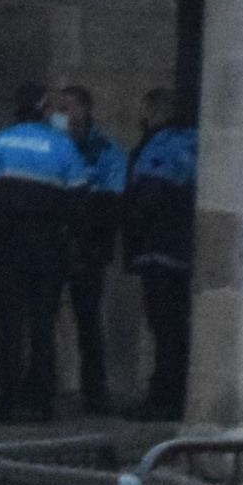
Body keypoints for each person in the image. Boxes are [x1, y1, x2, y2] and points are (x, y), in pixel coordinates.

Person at [0, 85, 86, 421]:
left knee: (10, 325)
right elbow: (79, 201)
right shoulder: (61, 145)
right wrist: (76, 246)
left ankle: (8, 402)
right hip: (48, 246)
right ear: (44, 108)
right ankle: (42, 401)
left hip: (8, 246)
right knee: (43, 324)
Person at [125, 86, 200, 423]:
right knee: (175, 328)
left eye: (146, 111)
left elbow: (148, 195)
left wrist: (135, 232)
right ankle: (171, 394)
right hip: (182, 250)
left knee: (165, 328)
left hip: (161, 249)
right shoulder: (195, 140)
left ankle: (164, 398)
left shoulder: (162, 145)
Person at [54, 85, 124, 416]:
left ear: (84, 110)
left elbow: (110, 200)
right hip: (52, 239)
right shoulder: (50, 144)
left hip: (88, 244)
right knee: (42, 317)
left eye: (68, 108)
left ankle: (95, 392)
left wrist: (92, 242)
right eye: (58, 108)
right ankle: (42, 386)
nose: (62, 115)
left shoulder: (105, 149)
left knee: (88, 319)